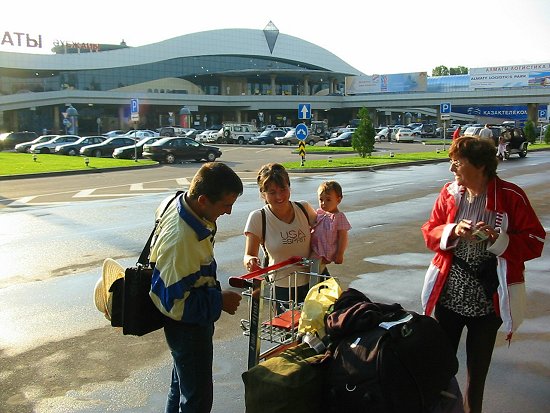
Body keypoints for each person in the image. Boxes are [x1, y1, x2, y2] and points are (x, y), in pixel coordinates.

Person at [421, 136, 545, 413]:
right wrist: (453, 230)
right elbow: (430, 231)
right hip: (449, 297)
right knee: (440, 367)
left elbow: (535, 240)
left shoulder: (511, 196)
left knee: (477, 375)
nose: (452, 167)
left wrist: (498, 239)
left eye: (457, 161)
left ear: (479, 166)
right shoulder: (450, 193)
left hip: (488, 303)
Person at [149, 162, 244, 413]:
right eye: (225, 205)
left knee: (182, 387)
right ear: (203, 200)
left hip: (190, 323)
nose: (229, 212)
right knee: (197, 400)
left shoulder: (179, 202)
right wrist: (219, 301)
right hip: (187, 327)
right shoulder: (182, 240)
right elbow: (175, 303)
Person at [243, 163, 317, 308]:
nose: (279, 196)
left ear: (290, 187)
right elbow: (248, 255)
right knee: (287, 329)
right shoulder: (258, 218)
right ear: (263, 194)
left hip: (314, 280)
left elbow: (324, 233)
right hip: (283, 288)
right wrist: (250, 261)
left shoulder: (304, 209)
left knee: (318, 327)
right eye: (272, 192)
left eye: (283, 189)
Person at [310, 180, 352, 274]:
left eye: (328, 200)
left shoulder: (338, 216)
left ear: (338, 199)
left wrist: (340, 254)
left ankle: (315, 284)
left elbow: (343, 237)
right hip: (316, 247)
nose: (323, 203)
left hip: (326, 250)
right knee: (314, 267)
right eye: (321, 200)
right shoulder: (319, 214)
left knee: (313, 266)